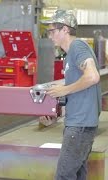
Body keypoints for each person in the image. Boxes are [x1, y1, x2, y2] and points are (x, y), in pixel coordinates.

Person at [40, 10, 101, 180]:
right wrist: (55, 116)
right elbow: (75, 87)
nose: (50, 35)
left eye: (52, 31)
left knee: (64, 176)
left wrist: (63, 90)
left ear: (65, 29)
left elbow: (92, 76)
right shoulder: (69, 57)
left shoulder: (77, 47)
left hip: (80, 125)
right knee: (78, 175)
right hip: (79, 123)